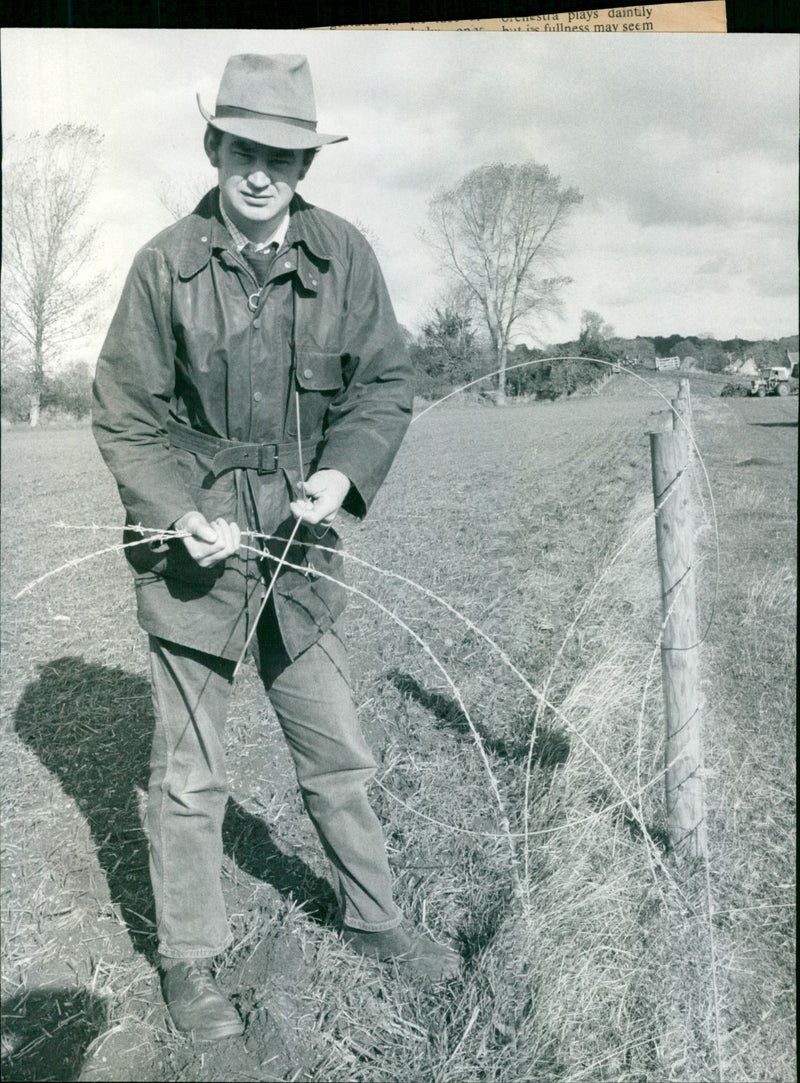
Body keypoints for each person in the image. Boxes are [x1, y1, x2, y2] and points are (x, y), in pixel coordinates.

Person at [92, 53, 459, 1042]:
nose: (260, 172)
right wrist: (179, 511)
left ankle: (374, 918)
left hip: (300, 552)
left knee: (335, 751)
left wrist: (341, 474)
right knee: (189, 775)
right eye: (243, 149)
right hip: (193, 555)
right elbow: (126, 417)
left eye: (283, 155)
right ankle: (192, 965)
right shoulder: (163, 266)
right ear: (215, 148)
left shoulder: (346, 258)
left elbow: (383, 385)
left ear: (305, 163)